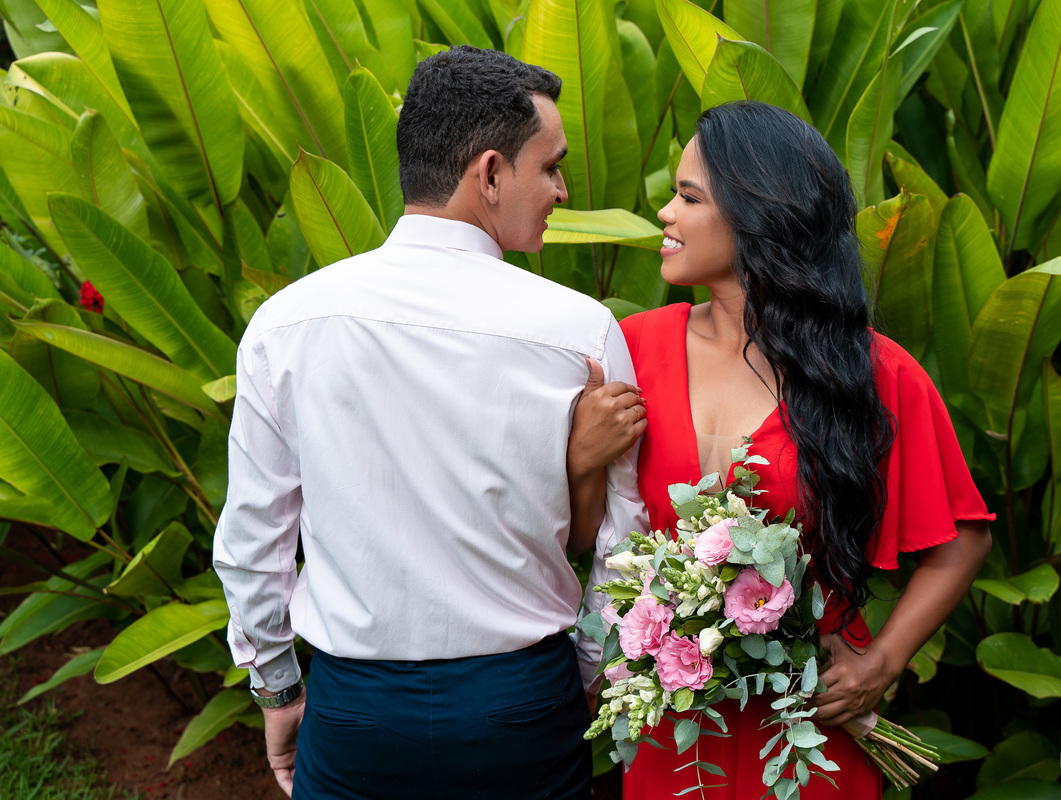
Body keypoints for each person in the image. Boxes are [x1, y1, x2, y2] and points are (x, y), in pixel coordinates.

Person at [212, 46, 647, 800]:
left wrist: (279, 693)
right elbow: (624, 541)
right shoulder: (580, 332)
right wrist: (588, 675)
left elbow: (255, 541)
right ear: (488, 174)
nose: (562, 189)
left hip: (355, 714)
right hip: (524, 700)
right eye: (549, 167)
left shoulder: (287, 324)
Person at [574, 100, 994, 797]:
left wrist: (883, 661)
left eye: (688, 197)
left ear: (758, 215)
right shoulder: (633, 348)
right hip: (675, 727)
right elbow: (592, 533)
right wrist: (583, 457)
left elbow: (963, 541)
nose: (666, 217)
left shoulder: (873, 373)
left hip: (812, 729)